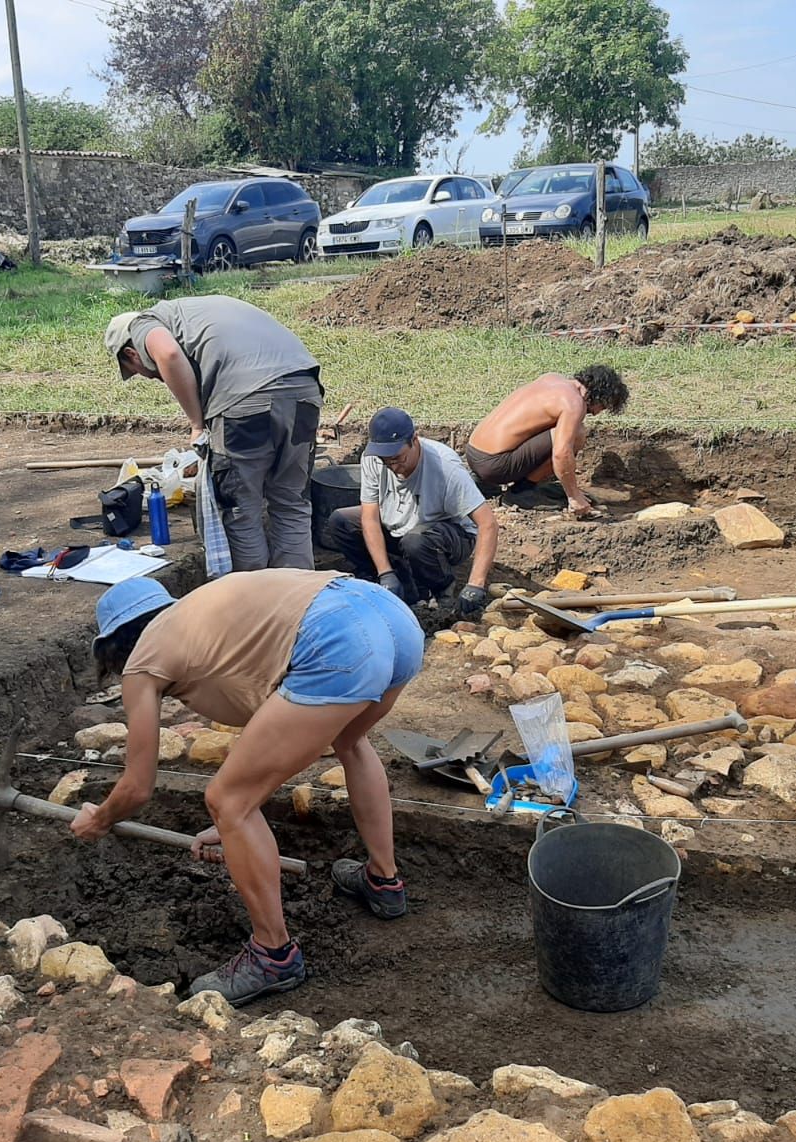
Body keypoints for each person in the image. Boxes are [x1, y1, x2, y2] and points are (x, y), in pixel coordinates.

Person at [69, 570, 423, 1005]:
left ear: (113, 645)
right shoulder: (206, 623)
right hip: (390, 616)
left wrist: (100, 818)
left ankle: (272, 954)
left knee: (227, 800)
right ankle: (383, 882)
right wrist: (238, 827)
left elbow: (138, 787)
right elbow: (279, 741)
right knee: (349, 741)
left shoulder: (143, 662)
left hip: (336, 634)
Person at [104, 296, 323, 571]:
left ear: (131, 354)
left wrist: (197, 423)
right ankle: (298, 602)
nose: (153, 377)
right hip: (304, 391)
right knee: (292, 503)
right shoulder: (200, 311)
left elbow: (169, 354)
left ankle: (254, 605)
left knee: (240, 510)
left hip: (245, 402)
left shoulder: (144, 323)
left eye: (140, 372)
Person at [324, 408, 498, 618]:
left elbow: (487, 523)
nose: (393, 466)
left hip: (449, 535)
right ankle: (388, 581)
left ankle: (441, 589)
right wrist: (385, 572)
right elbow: (369, 517)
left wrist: (476, 584)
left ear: (414, 440)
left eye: (398, 458)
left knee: (415, 541)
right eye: (386, 461)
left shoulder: (445, 468)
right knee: (341, 521)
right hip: (399, 524)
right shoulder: (373, 459)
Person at [463, 365, 628, 517]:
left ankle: (483, 483)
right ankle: (522, 493)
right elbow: (561, 454)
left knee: (557, 428)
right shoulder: (574, 404)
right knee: (577, 433)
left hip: (474, 454)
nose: (598, 413)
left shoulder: (552, 378)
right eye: (603, 407)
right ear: (599, 396)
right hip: (494, 466)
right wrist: (574, 496)